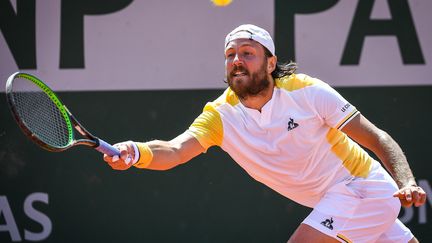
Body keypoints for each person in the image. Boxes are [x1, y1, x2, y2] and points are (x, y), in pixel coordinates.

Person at [103, 24, 426, 242]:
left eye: (247, 53)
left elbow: (376, 137)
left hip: (362, 188)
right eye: (230, 55)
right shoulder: (220, 115)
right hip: (336, 202)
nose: (237, 61)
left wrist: (406, 180)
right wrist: (137, 152)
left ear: (271, 63)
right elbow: (174, 151)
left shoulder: (307, 92)